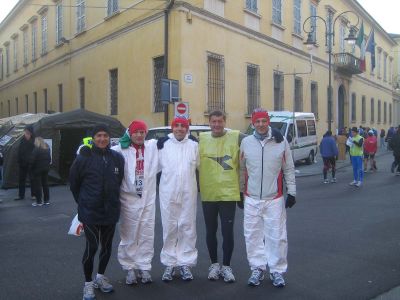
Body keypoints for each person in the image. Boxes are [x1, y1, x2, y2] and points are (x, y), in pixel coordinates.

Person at [240, 108, 296, 288]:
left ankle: (277, 270)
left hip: (274, 198)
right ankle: (257, 268)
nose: (261, 124)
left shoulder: (281, 142)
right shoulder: (246, 142)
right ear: (253, 123)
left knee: (277, 236)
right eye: (257, 121)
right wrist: (240, 192)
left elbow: (288, 168)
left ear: (268, 122)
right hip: (252, 197)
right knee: (252, 235)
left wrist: (292, 192)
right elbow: (241, 169)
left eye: (264, 121)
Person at [69, 124, 125, 300]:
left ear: (109, 138)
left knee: (107, 247)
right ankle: (88, 283)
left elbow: (119, 179)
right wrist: (83, 201)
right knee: (92, 247)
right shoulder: (83, 157)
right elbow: (74, 183)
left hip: (110, 211)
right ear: (93, 138)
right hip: (90, 211)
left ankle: (100, 277)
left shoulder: (116, 157)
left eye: (105, 136)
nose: (102, 139)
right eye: (99, 135)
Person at [198, 110, 244, 283]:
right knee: (210, 231)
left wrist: (273, 133)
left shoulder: (237, 136)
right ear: (209, 122)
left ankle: (226, 266)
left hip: (228, 193)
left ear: (225, 121)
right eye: (213, 121)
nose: (216, 124)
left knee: (227, 232)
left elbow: (257, 137)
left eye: (220, 121)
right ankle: (214, 264)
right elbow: (180, 141)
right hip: (209, 193)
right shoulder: (201, 138)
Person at [111, 120, 159, 285]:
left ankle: (144, 266)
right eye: (136, 132)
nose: (139, 135)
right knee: (129, 234)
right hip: (128, 199)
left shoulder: (152, 148)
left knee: (146, 233)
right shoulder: (120, 150)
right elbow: (101, 152)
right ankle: (130, 268)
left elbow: (169, 141)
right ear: (130, 134)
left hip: (148, 198)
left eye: (142, 132)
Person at [157, 117, 199, 282]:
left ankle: (185, 263)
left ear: (187, 129)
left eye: (183, 126)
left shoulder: (194, 145)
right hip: (168, 193)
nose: (180, 129)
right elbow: (138, 146)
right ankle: (169, 263)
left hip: (188, 192)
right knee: (169, 228)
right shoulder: (162, 145)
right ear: (172, 128)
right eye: (177, 126)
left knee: (187, 228)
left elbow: (200, 166)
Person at [14, 125, 35, 201]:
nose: (26, 134)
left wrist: (33, 161)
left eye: (28, 133)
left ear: (31, 133)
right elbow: (19, 151)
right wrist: (19, 161)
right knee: (21, 180)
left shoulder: (34, 140)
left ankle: (34, 195)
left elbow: (36, 152)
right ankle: (21, 195)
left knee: (33, 179)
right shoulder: (22, 140)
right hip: (22, 164)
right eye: (25, 133)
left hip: (31, 164)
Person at [29, 137, 51, 206]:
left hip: (37, 170)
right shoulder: (47, 149)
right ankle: (46, 200)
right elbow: (49, 159)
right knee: (45, 185)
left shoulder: (36, 150)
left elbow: (32, 160)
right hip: (46, 169)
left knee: (38, 185)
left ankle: (39, 201)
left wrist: (30, 168)